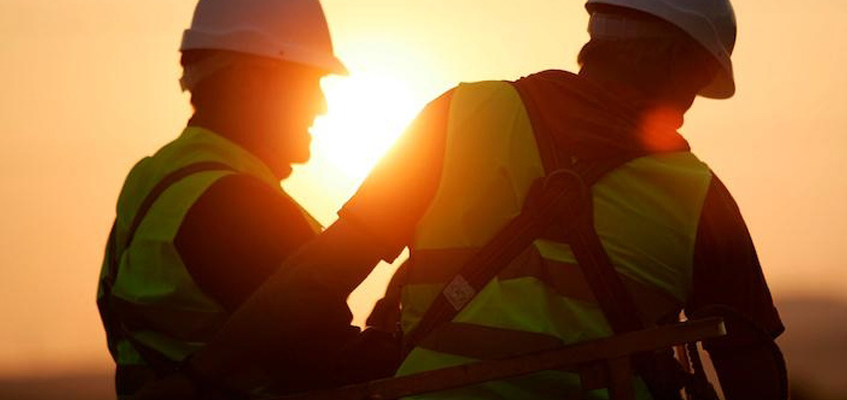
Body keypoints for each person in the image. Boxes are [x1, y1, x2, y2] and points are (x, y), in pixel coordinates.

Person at [180, 0, 787, 398]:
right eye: (698, 82)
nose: (690, 104)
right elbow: (752, 368)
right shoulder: (702, 199)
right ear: (676, 60)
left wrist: (197, 378)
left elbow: (320, 273)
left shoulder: (459, 116)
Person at [94, 0, 389, 398]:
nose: (321, 107)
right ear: (254, 82)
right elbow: (330, 367)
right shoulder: (237, 204)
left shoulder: (155, 178)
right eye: (310, 82)